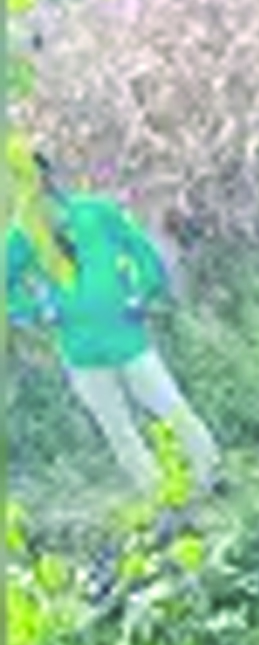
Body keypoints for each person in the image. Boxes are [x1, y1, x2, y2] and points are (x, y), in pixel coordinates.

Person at [7, 151, 222, 500]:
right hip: (80, 349)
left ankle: (209, 476)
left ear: (48, 176)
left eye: (33, 176)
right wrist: (37, 309)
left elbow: (142, 251)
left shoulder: (95, 211)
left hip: (127, 337)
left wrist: (141, 292)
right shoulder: (23, 235)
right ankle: (159, 497)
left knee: (170, 406)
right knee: (117, 429)